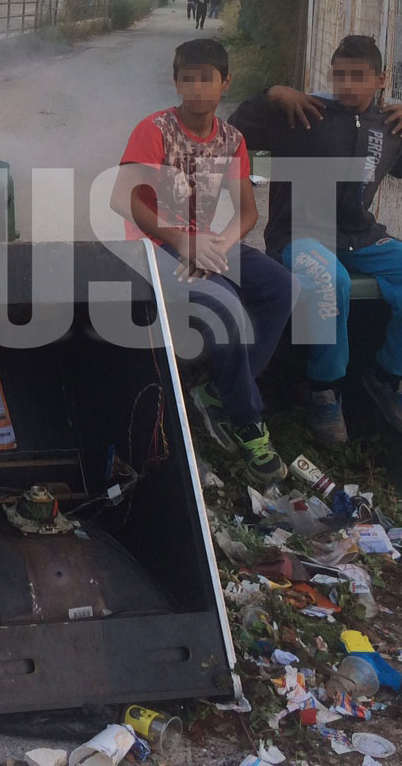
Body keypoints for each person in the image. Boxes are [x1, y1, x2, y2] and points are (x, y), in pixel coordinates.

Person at [229, 34, 402, 447]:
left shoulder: (389, 124)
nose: (347, 85)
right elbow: (237, 130)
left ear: (381, 79)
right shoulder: (305, 113)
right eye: (339, 75)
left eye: (358, 76)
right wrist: (272, 94)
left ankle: (391, 375)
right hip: (300, 233)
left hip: (361, 236)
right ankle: (323, 389)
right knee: (332, 281)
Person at [112, 38, 299, 483]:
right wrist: (183, 242)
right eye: (188, 79)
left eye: (207, 79)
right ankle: (248, 422)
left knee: (282, 286)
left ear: (225, 82)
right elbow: (122, 198)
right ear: (176, 82)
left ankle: (218, 391)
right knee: (224, 302)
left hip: (209, 241)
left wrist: (218, 246)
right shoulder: (155, 130)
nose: (197, 88)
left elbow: (248, 212)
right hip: (154, 245)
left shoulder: (232, 140)